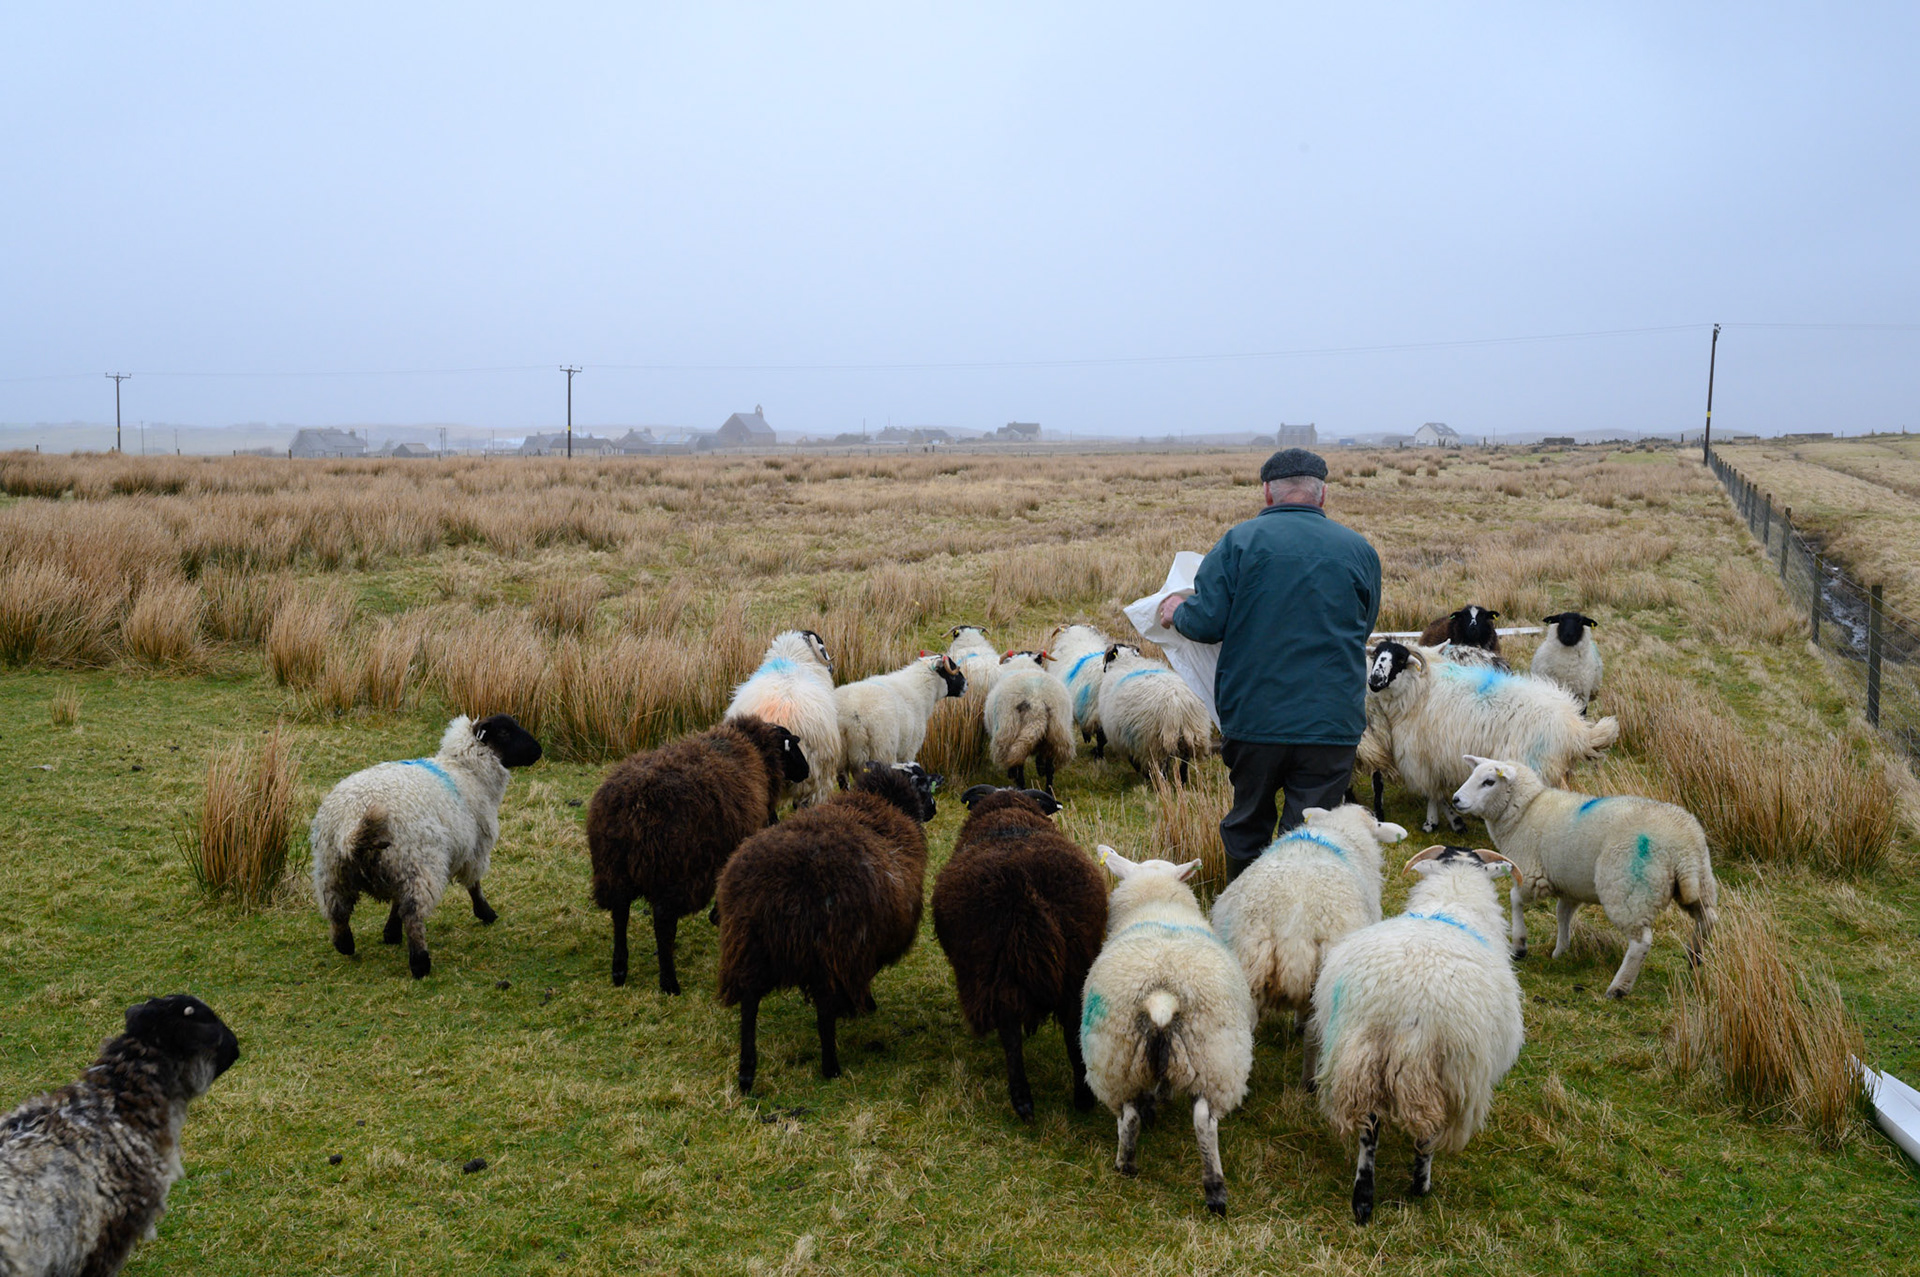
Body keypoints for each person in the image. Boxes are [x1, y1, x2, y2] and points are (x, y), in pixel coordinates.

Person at [1156, 448, 1382, 881]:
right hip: (1331, 721)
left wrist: (1175, 613)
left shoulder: (1239, 543)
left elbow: (1206, 622)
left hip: (1255, 717)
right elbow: (1363, 624)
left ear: (1266, 491)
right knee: (1313, 830)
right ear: (1322, 494)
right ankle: (1300, 926)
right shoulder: (1359, 551)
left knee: (1248, 821)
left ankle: (1242, 920)